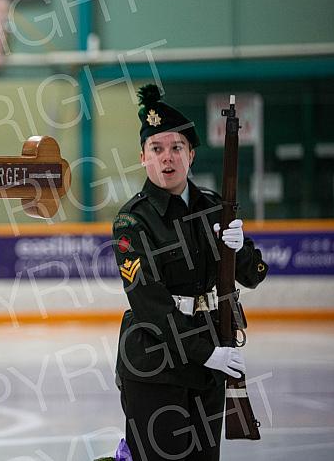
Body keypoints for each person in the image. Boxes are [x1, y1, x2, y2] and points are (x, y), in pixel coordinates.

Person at [111, 84, 269, 460]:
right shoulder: (132, 221)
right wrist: (206, 352)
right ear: (143, 157)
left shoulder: (216, 207)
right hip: (154, 364)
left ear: (191, 155)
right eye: (157, 149)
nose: (168, 158)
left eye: (176, 148)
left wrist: (240, 248)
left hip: (208, 364)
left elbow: (254, 274)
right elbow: (150, 305)